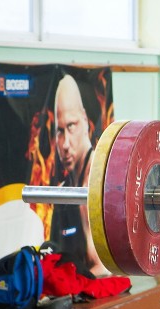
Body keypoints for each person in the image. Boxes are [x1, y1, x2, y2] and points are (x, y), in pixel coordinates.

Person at [51, 73, 108, 277]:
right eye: (59, 131)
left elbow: (102, 267)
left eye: (71, 126)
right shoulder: (64, 190)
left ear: (85, 120)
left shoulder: (95, 181)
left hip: (98, 291)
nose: (65, 144)